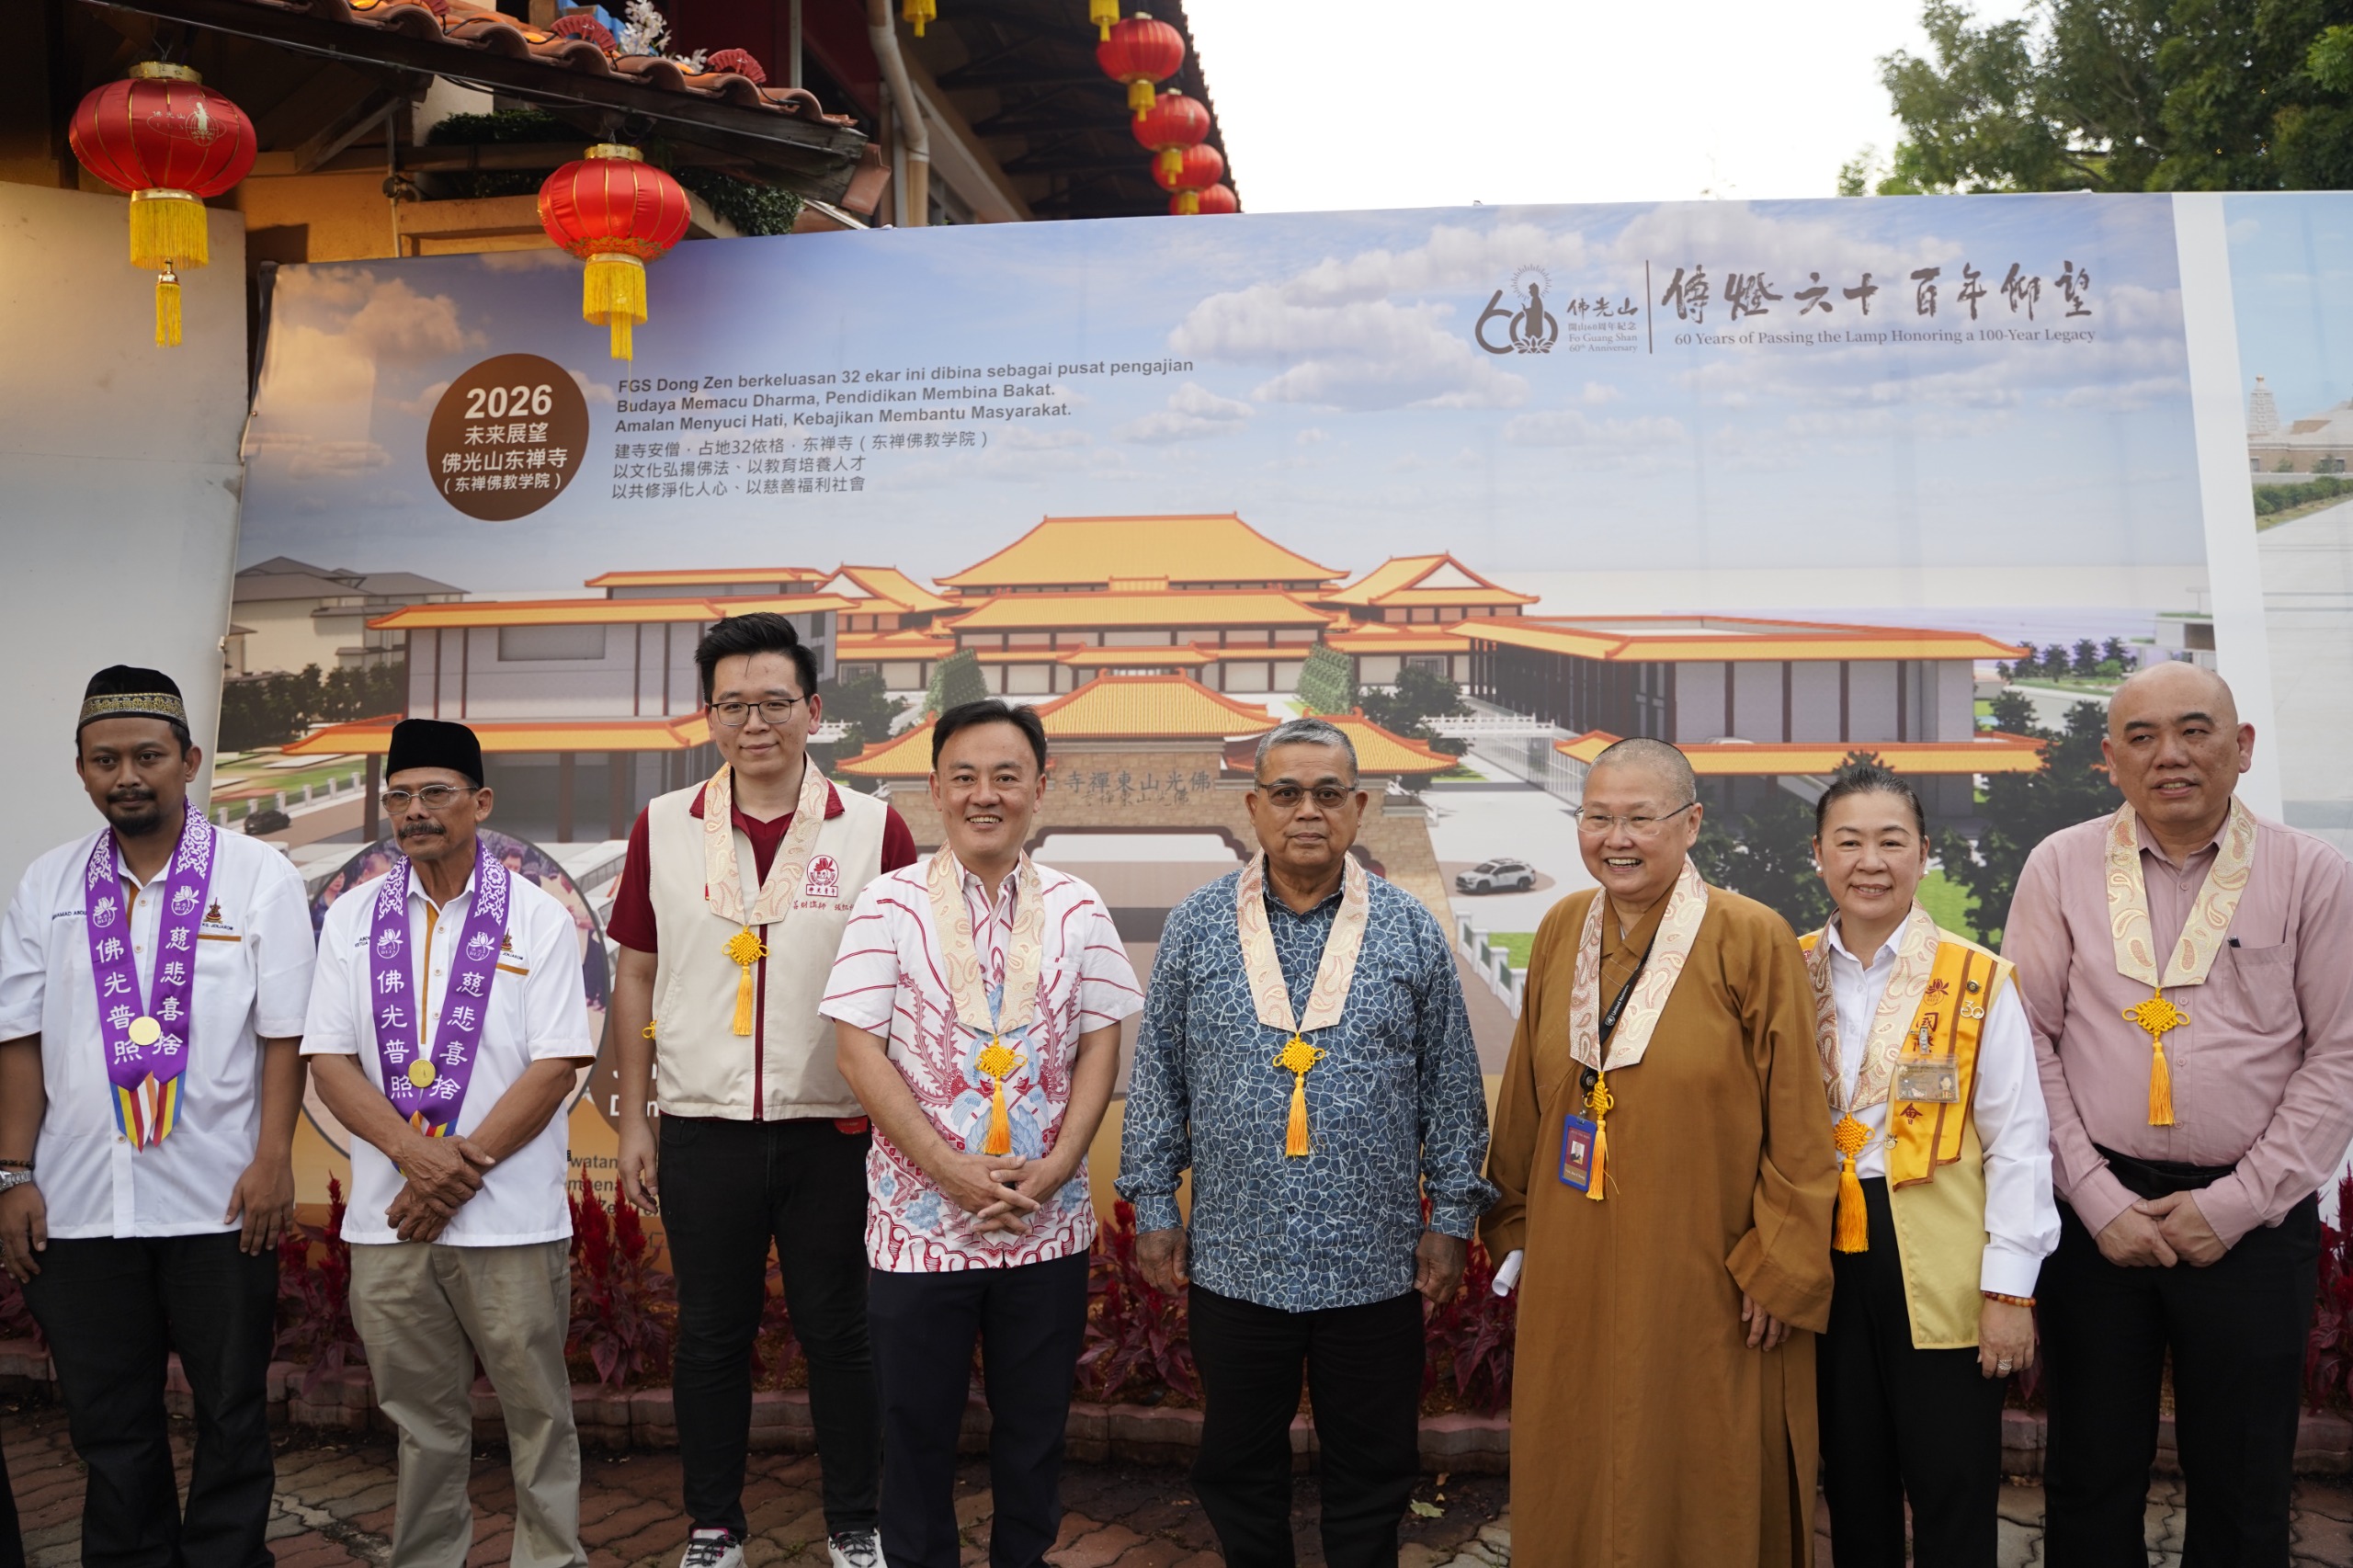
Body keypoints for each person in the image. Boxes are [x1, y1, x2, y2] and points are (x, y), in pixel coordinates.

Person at [1119, 717, 1494, 1568]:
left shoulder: (1408, 928)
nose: (1308, 812)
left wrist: (1451, 1218)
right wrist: (1154, 1205)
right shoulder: (1198, 925)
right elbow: (1159, 1074)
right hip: (1237, 1259)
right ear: (1254, 807)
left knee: (1375, 1467)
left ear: (1359, 807)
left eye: (1328, 794)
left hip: (1373, 1262)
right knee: (1238, 1465)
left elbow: (1450, 1085)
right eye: (1286, 793)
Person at [2003, 662, 2353, 1565]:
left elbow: (2340, 1055)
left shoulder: (2313, 874)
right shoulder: (2060, 866)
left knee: (2244, 1486)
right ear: (2109, 758)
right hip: (2096, 1216)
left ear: (2241, 747)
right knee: (2088, 1474)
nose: (2171, 755)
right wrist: (2094, 1196)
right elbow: (2024, 1041)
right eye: (2143, 737)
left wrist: (2235, 1203)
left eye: (2195, 730)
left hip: (2252, 1223)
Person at [606, 613, 916, 1568]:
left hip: (836, 1125)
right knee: (709, 1335)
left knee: (841, 1333)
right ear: (708, 716)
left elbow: (909, 980)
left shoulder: (873, 827)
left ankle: (855, 1522)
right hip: (703, 1127)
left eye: (775, 702)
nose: (755, 723)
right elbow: (637, 972)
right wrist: (635, 1117)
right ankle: (713, 1525)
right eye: (734, 704)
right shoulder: (664, 824)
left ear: (813, 711)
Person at [1483, 736, 1837, 1567]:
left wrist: (1780, 1261)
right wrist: (1516, 1224)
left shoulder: (1751, 936)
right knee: (1576, 1448)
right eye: (1598, 818)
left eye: (1640, 819)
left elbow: (1799, 1115)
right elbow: (1530, 1094)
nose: (1617, 839)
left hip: (1708, 1268)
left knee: (1700, 1458)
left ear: (1691, 823)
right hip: (1574, 1253)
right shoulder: (1563, 926)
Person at [0, 666, 313, 1568]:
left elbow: (284, 1034)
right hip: (80, 1201)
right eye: (105, 760)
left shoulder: (256, 876)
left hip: (221, 1200)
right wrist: (13, 1173)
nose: (127, 776)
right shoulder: (49, 882)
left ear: (190, 760)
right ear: (81, 769)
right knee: (108, 1420)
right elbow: (18, 1036)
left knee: (231, 1410)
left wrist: (273, 1158)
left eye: (147, 755)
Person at [821, 699, 1141, 1568]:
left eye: (1006, 776)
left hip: (1046, 1222)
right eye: (964, 777)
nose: (984, 795)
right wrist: (946, 1169)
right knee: (914, 1431)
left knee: (1035, 1430)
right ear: (935, 789)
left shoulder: (1078, 908)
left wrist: (1061, 1164)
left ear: (1041, 787)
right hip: (919, 1228)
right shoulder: (887, 904)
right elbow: (856, 1050)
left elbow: (1101, 1042)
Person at [303, 719, 596, 1568]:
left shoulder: (537, 918)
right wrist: (416, 1157)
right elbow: (329, 1060)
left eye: (435, 793)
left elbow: (556, 1065)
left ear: (481, 802)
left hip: (509, 1221)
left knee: (538, 1414)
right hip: (389, 1221)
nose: (415, 811)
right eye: (399, 796)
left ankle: (550, 1559)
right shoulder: (352, 918)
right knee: (420, 1421)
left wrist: (448, 1175)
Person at [1800, 763, 2058, 1568]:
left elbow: (2018, 1140)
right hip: (1820, 1252)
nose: (1869, 862)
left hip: (1941, 1261)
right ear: (1818, 854)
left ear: (1924, 853)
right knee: (1852, 1483)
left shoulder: (1976, 978)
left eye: (1891, 841)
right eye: (1849, 842)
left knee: (1954, 1485)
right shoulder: (1785, 969)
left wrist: (2009, 1290)